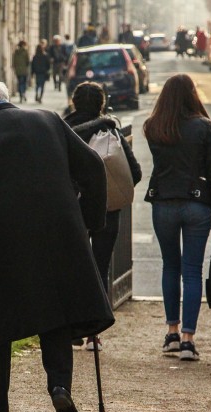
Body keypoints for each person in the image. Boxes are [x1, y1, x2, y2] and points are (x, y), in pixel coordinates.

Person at [0, 80, 114, 412]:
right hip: (61, 237)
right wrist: (89, 224)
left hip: (4, 242)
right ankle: (59, 387)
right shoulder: (49, 120)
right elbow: (94, 167)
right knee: (54, 314)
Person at [143, 74, 211, 361]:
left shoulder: (153, 126)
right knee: (192, 271)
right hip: (197, 202)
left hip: (164, 201)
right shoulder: (203, 128)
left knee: (170, 266)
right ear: (192, 95)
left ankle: (171, 333)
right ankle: (189, 339)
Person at [64, 82, 142, 351]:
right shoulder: (108, 129)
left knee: (72, 266)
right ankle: (93, 333)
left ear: (74, 102)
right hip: (107, 208)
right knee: (100, 267)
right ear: (101, 104)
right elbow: (135, 172)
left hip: (72, 209)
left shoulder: (63, 130)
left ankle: (71, 327)